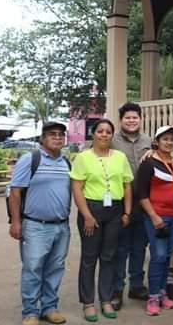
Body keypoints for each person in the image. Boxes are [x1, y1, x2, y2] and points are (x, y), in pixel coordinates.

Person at [70, 118, 134, 322]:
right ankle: (88, 302)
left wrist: (127, 212)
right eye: (100, 131)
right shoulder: (83, 157)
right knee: (89, 258)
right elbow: (77, 188)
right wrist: (87, 215)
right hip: (92, 210)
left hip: (115, 211)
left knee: (109, 257)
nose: (104, 135)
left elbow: (127, 186)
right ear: (93, 134)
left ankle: (105, 299)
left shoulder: (120, 157)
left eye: (108, 132)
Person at [8, 121, 71, 325]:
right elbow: (15, 192)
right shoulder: (30, 159)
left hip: (61, 225)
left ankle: (49, 308)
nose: (57, 137)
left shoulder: (66, 162)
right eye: (52, 134)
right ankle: (30, 312)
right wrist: (16, 222)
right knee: (33, 269)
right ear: (42, 138)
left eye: (61, 134)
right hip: (35, 225)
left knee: (55, 268)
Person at [136, 126, 173, 316]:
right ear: (156, 141)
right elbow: (141, 193)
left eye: (172, 139)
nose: (169, 142)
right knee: (158, 256)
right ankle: (153, 296)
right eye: (165, 139)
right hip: (157, 217)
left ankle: (163, 292)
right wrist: (154, 216)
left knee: (167, 256)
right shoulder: (148, 163)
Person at [110, 102, 152, 310]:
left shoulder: (149, 141)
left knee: (139, 248)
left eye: (135, 117)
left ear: (140, 119)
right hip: (120, 203)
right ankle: (117, 289)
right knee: (121, 248)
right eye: (127, 117)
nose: (132, 120)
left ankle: (137, 285)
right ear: (121, 120)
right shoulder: (111, 140)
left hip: (144, 202)